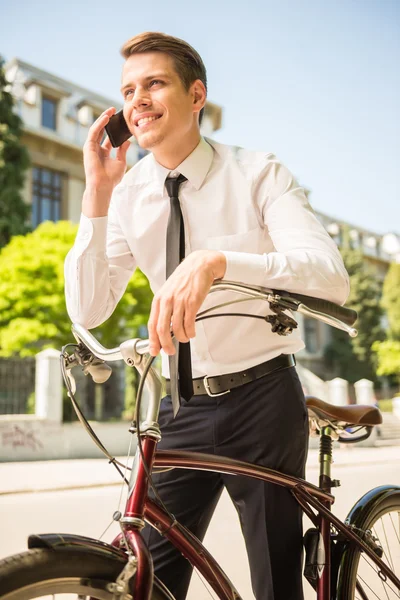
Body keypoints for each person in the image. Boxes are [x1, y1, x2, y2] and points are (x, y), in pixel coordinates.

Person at [64, 32, 349, 600]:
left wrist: (218, 261)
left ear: (196, 96)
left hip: (263, 401)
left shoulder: (256, 172)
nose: (137, 99)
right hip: (180, 405)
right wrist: (96, 193)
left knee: (273, 581)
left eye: (154, 83)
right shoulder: (127, 196)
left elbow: (329, 275)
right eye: (127, 90)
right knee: (153, 579)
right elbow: (89, 308)